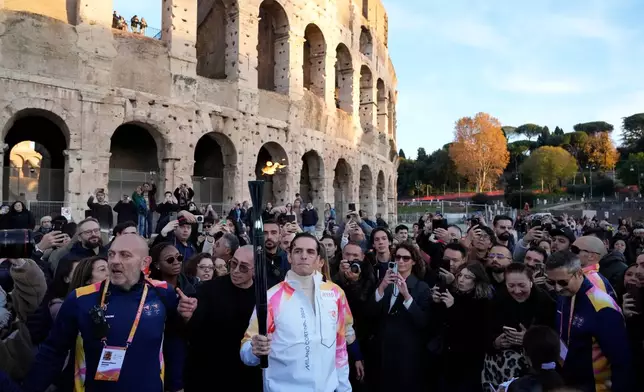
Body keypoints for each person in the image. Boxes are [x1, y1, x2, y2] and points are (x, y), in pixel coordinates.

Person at [21, 234, 185, 392]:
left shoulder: (163, 293)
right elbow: (53, 351)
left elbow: (175, 340)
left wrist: (176, 384)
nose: (114, 261)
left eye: (125, 255)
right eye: (111, 254)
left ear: (145, 262)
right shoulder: (81, 298)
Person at [240, 232, 354, 391]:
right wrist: (254, 350)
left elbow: (340, 349)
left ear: (318, 260)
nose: (304, 256)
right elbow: (246, 350)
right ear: (289, 257)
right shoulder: (272, 298)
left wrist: (344, 389)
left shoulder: (335, 294)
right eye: (298, 251)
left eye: (310, 252)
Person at [546, 250, 632, 392]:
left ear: (579, 273)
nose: (557, 288)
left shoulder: (602, 307)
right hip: (570, 380)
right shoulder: (565, 294)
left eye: (562, 282)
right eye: (551, 282)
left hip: (595, 386)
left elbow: (621, 361)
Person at [179, 246, 261, 392]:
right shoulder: (209, 289)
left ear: (255, 269)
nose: (235, 270)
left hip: (245, 377)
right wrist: (187, 317)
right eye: (233, 263)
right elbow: (193, 335)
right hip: (208, 374)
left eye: (243, 267)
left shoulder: (263, 297)